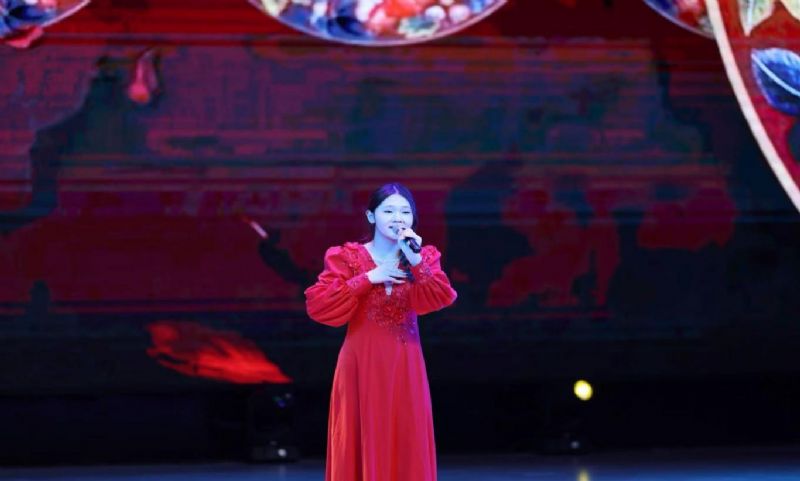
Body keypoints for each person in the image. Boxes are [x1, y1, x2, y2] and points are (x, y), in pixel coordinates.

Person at [305, 182, 457, 481]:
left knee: (408, 433)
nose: (397, 218)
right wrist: (369, 278)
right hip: (361, 361)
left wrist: (415, 260)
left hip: (406, 361)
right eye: (388, 211)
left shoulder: (423, 257)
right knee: (362, 430)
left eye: (405, 212)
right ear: (371, 216)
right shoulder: (346, 257)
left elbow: (441, 297)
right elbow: (319, 305)